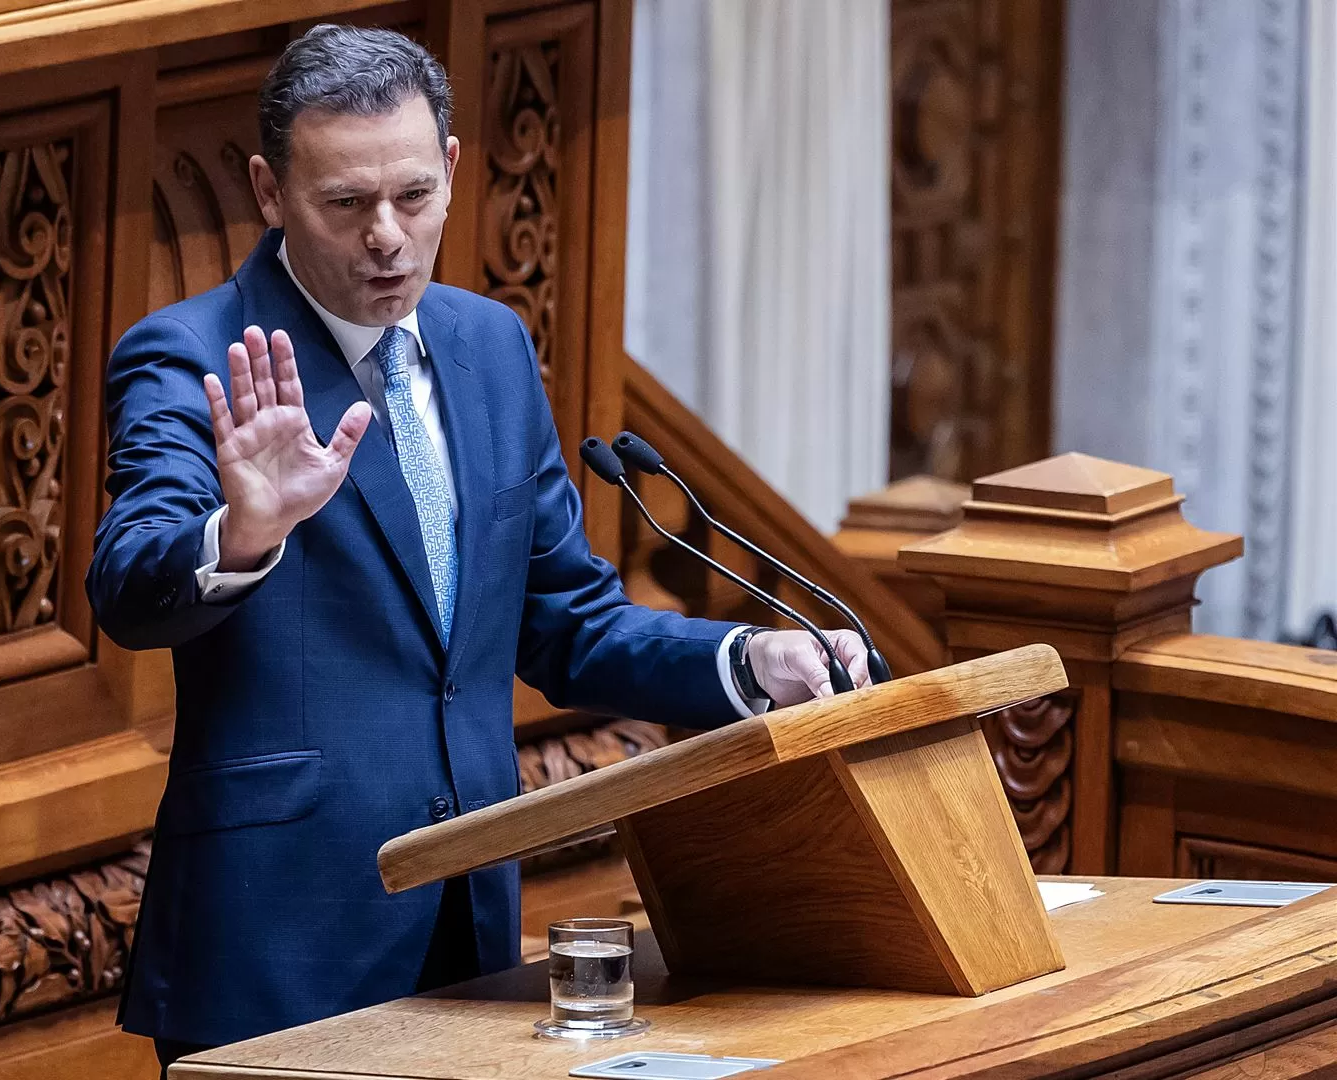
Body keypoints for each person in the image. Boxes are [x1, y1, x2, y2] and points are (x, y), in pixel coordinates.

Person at [86, 24, 870, 1074]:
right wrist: (243, 532)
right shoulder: (196, 356)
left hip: (470, 922)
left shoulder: (488, 345)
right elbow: (128, 584)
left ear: (453, 169)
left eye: (413, 195)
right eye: (346, 204)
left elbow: (567, 622)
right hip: (278, 945)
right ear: (270, 192)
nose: (387, 238)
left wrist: (748, 660)